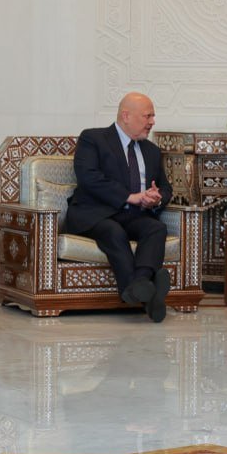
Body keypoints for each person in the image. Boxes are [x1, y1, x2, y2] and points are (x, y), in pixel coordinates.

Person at [65, 92, 173, 322]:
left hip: (133, 215)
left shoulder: (151, 151)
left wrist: (156, 198)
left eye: (153, 116)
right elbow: (89, 178)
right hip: (95, 214)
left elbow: (165, 187)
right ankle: (146, 292)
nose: (152, 121)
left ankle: (140, 285)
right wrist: (130, 197)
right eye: (147, 116)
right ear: (126, 116)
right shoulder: (93, 139)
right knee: (113, 231)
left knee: (156, 228)